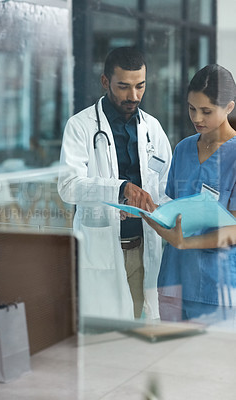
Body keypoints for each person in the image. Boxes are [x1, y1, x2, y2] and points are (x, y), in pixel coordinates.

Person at [58, 47, 172, 320]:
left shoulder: (152, 128)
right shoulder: (81, 126)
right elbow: (68, 186)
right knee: (106, 336)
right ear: (105, 81)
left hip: (145, 247)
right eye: (123, 87)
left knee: (141, 334)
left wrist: (159, 208)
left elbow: (167, 185)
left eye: (140, 86)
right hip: (103, 249)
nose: (134, 96)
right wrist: (119, 189)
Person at [142, 64, 236, 323]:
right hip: (173, 278)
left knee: (208, 362)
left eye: (206, 111)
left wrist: (186, 242)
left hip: (215, 287)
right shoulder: (183, 148)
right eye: (192, 108)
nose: (197, 118)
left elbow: (234, 230)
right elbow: (174, 206)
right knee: (170, 361)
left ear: (229, 107)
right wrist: (153, 214)